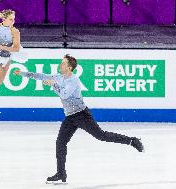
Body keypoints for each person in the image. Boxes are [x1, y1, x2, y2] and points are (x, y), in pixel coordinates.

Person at [14, 54, 144, 184]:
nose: (60, 65)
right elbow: (41, 76)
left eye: (63, 63)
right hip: (70, 117)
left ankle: (132, 141)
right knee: (60, 143)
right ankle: (61, 174)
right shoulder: (59, 77)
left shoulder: (73, 80)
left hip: (82, 115)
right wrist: (23, 73)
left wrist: (53, 85)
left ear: (70, 67)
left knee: (101, 136)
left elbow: (65, 94)